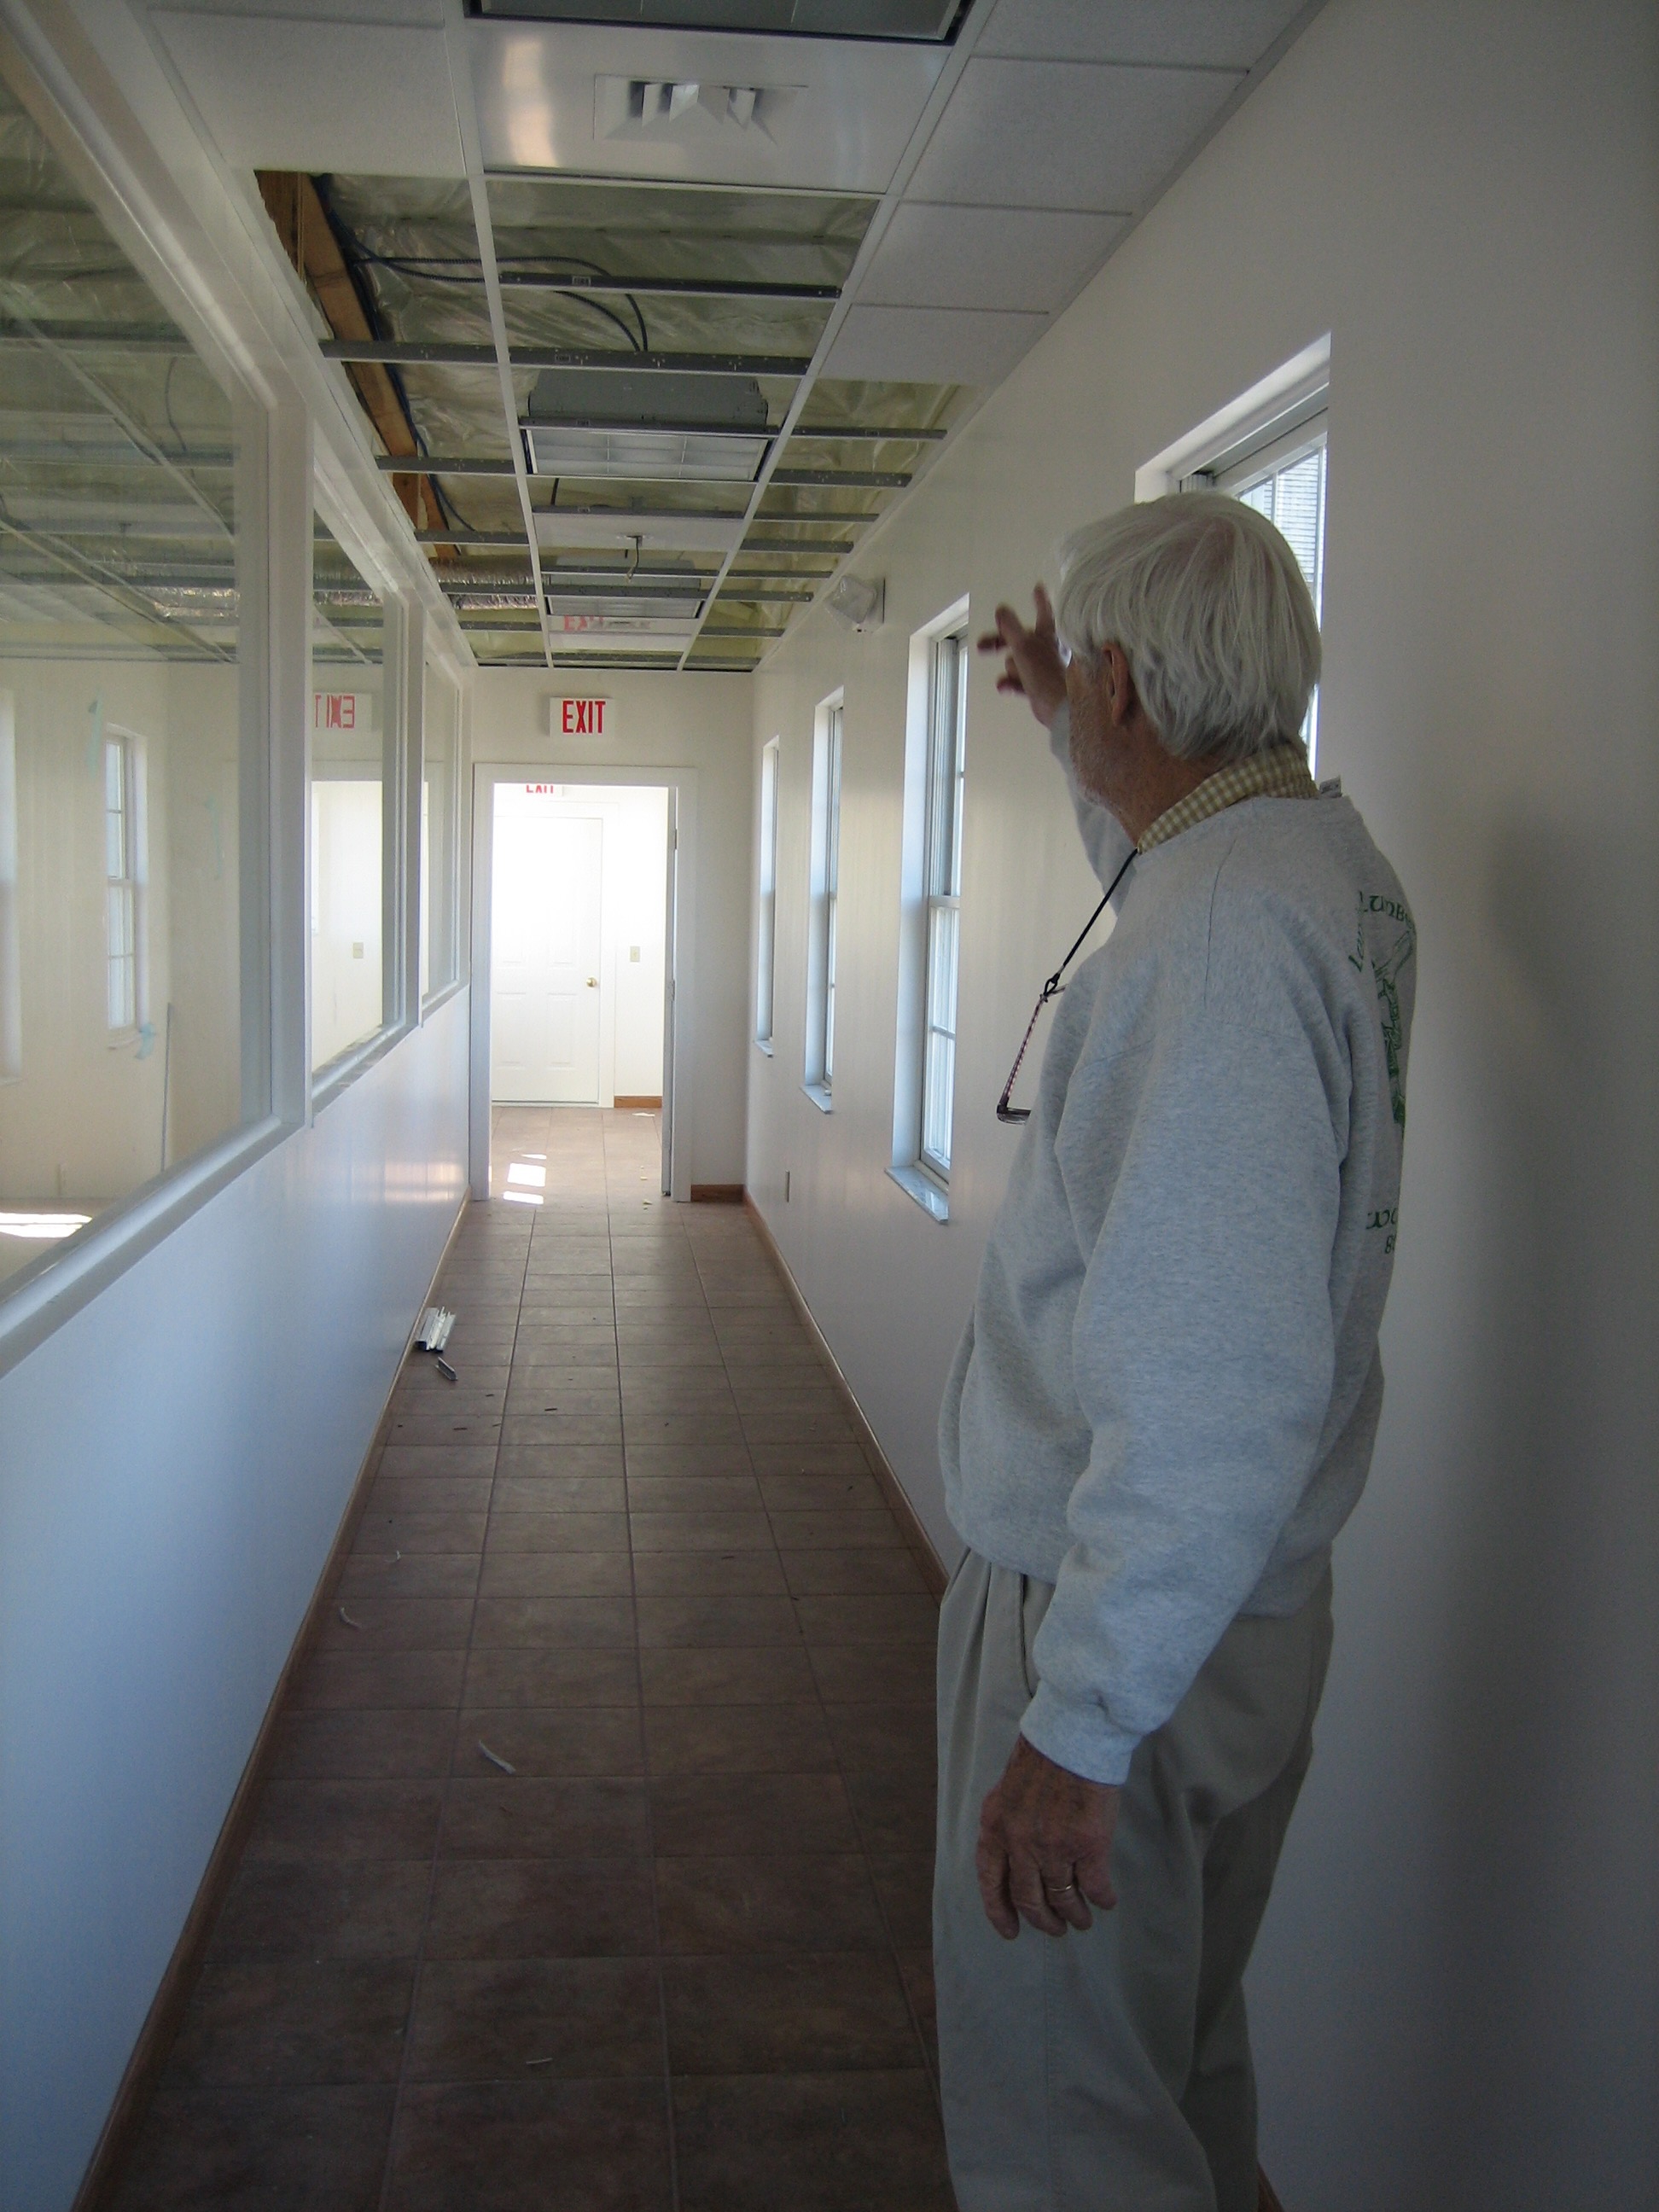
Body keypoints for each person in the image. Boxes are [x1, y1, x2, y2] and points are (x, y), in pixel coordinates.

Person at [934, 492, 1416, 2211]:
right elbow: (1164, 863)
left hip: (1116, 1620)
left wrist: (1079, 1728)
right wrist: (1066, 711)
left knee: (1069, 2130)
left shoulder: (1213, 944)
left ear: (1129, 684)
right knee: (1175, 2068)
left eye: (1089, 670)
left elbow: (1209, 1381)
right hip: (1237, 1616)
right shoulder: (1314, 869)